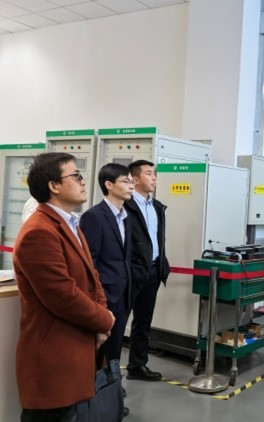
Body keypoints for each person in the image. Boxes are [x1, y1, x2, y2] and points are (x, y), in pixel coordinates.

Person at [13, 152, 115, 421]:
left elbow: (92, 277)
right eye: (76, 175)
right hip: (53, 359)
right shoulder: (39, 231)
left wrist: (101, 322)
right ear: (54, 185)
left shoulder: (69, 224)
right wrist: (104, 320)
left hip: (76, 349)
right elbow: (62, 295)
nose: (83, 181)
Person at [80, 163, 133, 418]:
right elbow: (90, 263)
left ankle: (110, 394)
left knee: (114, 348)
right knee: (98, 350)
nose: (131, 185)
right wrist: (97, 301)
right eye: (126, 181)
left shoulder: (125, 215)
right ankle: (93, 399)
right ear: (109, 185)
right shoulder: (94, 216)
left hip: (123, 292)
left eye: (132, 181)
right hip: (104, 295)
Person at [124, 160, 169, 381]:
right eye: (149, 173)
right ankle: (106, 375)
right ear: (135, 179)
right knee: (117, 323)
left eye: (155, 174)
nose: (154, 178)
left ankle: (137, 366)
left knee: (143, 323)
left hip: (152, 271)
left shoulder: (157, 207)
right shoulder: (125, 205)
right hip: (130, 273)